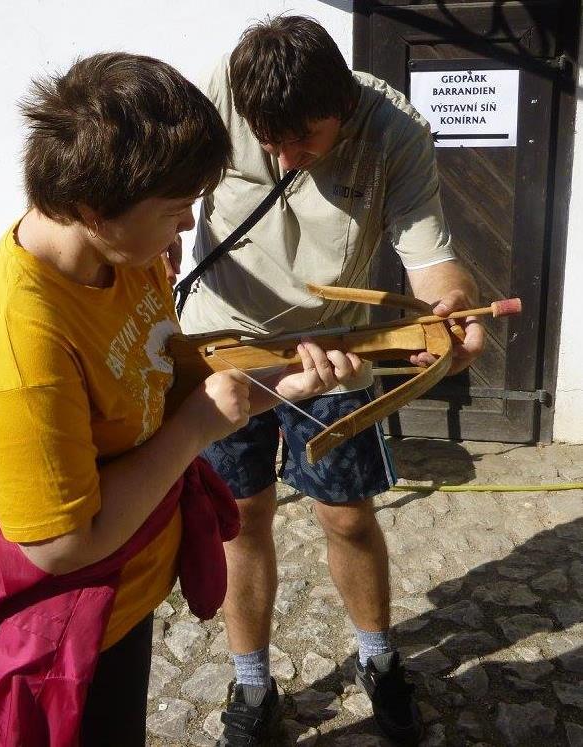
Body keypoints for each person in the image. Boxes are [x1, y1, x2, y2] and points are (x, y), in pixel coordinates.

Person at [0, 51, 361, 746]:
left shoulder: (120, 258)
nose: (190, 227)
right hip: (58, 624)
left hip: (124, 594)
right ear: (91, 207)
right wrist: (199, 426)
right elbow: (62, 545)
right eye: (176, 208)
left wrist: (276, 381)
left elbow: (160, 365)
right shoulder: (16, 350)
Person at [178, 15, 486, 747]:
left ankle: (379, 658)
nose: (284, 158)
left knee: (347, 515)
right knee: (241, 517)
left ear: (342, 106)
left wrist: (448, 317)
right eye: (268, 141)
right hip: (225, 346)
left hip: (337, 347)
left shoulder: (394, 134)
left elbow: (432, 261)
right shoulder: (222, 89)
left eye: (304, 142)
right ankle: (252, 679)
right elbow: (162, 192)